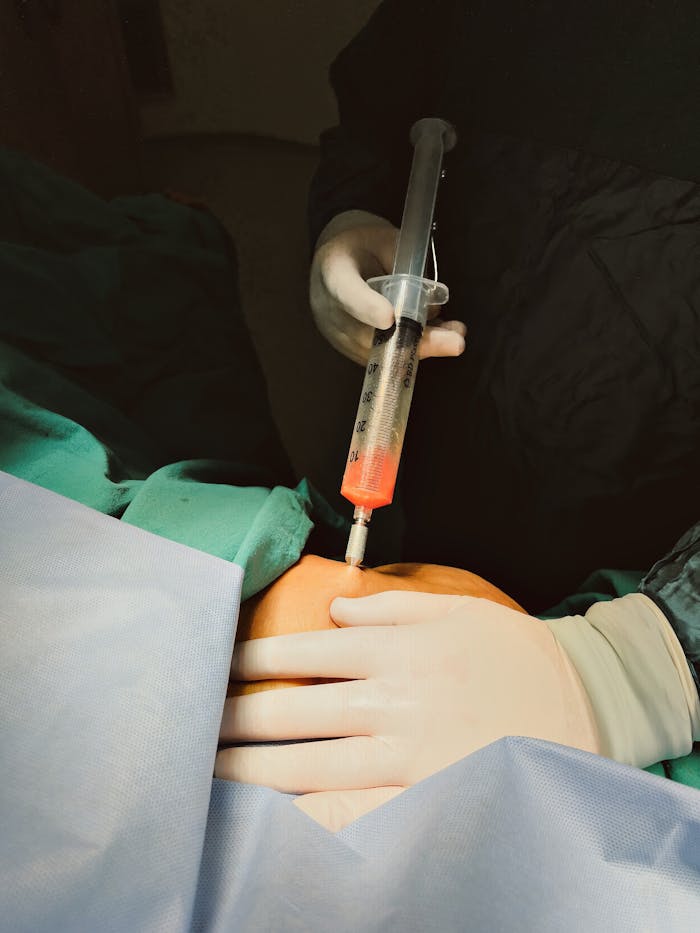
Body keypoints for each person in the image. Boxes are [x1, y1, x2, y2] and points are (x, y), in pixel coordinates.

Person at [217, 0, 700, 827]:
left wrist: (647, 662)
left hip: (653, 534)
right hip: (443, 453)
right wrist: (355, 210)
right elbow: (392, 90)